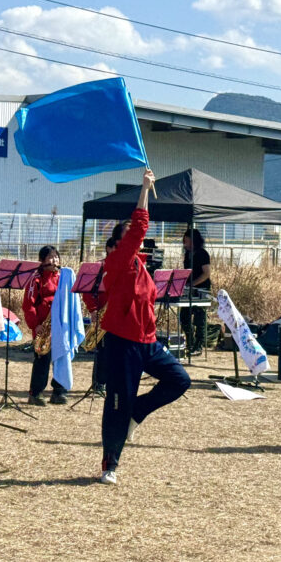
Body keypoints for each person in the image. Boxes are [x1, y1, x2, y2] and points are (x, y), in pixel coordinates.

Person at [98, 169, 191, 485]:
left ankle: (136, 413)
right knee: (117, 405)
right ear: (117, 244)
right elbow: (139, 224)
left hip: (147, 342)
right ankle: (110, 463)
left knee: (180, 380)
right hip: (122, 343)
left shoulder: (138, 265)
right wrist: (145, 189)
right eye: (127, 238)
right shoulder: (116, 262)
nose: (135, 240)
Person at [22, 245, 67, 405]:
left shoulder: (63, 277)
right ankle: (35, 393)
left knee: (61, 359)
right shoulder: (35, 279)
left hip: (60, 326)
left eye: (56, 256)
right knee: (42, 360)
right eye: (50, 257)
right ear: (42, 260)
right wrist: (36, 325)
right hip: (43, 326)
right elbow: (28, 305)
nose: (55, 260)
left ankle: (59, 392)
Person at [81, 237, 116, 397]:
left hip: (118, 315)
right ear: (108, 248)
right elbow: (87, 291)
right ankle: (99, 383)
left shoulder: (125, 266)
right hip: (103, 314)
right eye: (115, 247)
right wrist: (93, 310)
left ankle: (113, 382)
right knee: (103, 350)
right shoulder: (98, 267)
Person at [180, 228, 211, 354]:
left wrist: (193, 284)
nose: (185, 244)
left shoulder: (203, 254)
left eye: (187, 241)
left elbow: (206, 273)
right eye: (184, 242)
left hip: (202, 289)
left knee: (199, 318)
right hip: (189, 289)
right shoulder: (187, 255)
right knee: (184, 316)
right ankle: (190, 341)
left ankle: (199, 345)